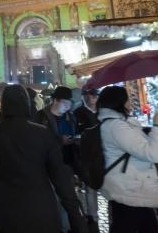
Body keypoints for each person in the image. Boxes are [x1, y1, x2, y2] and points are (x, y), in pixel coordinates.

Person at [0, 85, 88, 233]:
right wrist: (76, 218)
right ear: (27, 104)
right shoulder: (42, 133)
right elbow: (60, 178)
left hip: (6, 207)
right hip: (40, 205)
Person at [97, 86, 158, 233]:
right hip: (130, 191)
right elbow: (154, 154)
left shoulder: (120, 124)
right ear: (119, 101)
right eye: (127, 98)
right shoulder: (117, 127)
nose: (131, 102)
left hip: (133, 189)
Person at [34, 86, 80, 173]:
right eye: (64, 103)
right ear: (55, 100)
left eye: (69, 104)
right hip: (49, 163)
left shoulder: (71, 117)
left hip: (69, 161)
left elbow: (75, 132)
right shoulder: (41, 116)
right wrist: (59, 140)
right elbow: (37, 140)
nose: (67, 106)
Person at [74, 88, 100, 227]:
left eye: (93, 95)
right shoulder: (78, 113)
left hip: (105, 153)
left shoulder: (103, 111)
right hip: (87, 155)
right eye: (87, 95)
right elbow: (75, 133)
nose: (91, 98)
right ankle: (93, 217)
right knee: (90, 187)